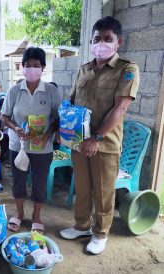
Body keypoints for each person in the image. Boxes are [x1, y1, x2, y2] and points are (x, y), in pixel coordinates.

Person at [60, 16, 140, 255]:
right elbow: (71, 101)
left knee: (103, 192)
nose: (101, 43)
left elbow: (120, 108)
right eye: (97, 39)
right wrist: (61, 126)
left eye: (108, 39)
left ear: (118, 42)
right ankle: (82, 226)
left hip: (104, 145)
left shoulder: (127, 69)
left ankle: (100, 233)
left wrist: (95, 138)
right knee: (82, 189)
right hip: (78, 143)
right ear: (91, 41)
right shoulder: (84, 69)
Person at [2, 47, 62, 233]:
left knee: (39, 182)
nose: (31, 69)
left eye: (36, 65)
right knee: (18, 181)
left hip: (42, 147)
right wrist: (16, 128)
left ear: (43, 67)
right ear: (22, 67)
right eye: (27, 65)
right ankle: (19, 214)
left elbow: (59, 118)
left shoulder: (51, 91)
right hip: (18, 145)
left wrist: (46, 135)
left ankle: (36, 217)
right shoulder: (14, 91)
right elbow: (4, 117)